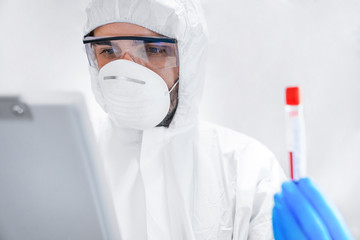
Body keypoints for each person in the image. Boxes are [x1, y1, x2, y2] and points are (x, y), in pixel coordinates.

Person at [83, 0, 286, 239]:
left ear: (189, 57)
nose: (126, 70)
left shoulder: (248, 171)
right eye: (108, 51)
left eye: (153, 50)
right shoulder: (73, 165)